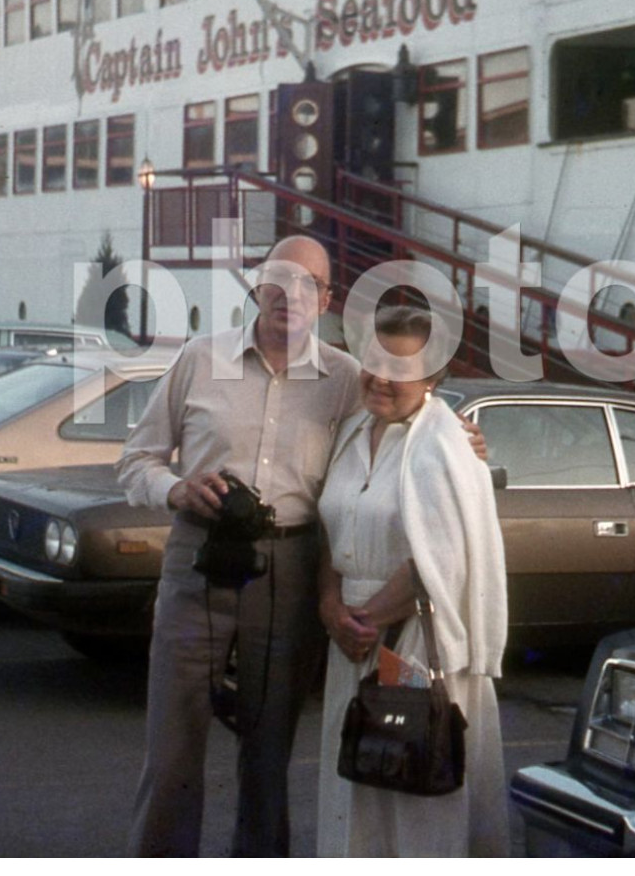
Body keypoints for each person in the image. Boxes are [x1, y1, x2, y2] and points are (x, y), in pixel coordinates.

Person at [119, 235, 360, 857]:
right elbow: (136, 459)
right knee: (173, 742)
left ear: (327, 299)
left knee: (268, 745)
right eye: (280, 278)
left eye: (309, 283)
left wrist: (463, 438)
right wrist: (175, 489)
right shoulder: (201, 358)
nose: (292, 294)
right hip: (198, 555)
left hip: (292, 564)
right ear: (257, 285)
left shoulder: (345, 379)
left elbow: (403, 429)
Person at [315, 306, 509, 857]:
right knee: (356, 781)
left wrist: (365, 621)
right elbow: (332, 527)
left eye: (401, 370)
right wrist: (332, 607)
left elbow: (440, 559)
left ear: (433, 379)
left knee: (414, 791)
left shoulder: (444, 442)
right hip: (350, 639)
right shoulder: (351, 431)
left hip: (415, 642)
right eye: (374, 362)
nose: (381, 379)